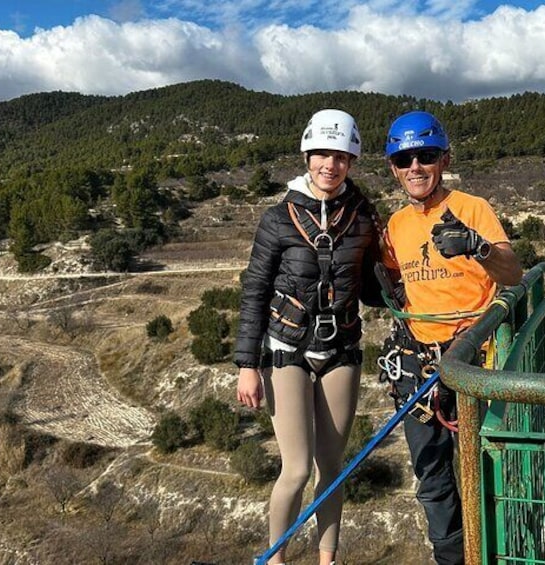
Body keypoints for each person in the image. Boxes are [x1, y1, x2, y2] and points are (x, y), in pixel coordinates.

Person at [234, 109, 382, 565]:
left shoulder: (362, 218)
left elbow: (376, 287)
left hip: (340, 350)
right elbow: (255, 290)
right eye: (321, 154)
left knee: (332, 471)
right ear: (306, 155)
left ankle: (326, 558)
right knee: (296, 469)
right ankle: (276, 559)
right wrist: (246, 365)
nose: (329, 164)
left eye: (339, 156)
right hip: (287, 353)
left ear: (352, 161)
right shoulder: (278, 218)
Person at [378, 110, 523, 565]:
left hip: (472, 358)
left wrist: (477, 246)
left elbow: (514, 273)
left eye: (426, 156)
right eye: (405, 160)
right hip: (418, 363)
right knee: (432, 475)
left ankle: (494, 552)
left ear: (444, 159)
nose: (415, 168)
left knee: (482, 468)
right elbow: (389, 274)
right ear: (393, 168)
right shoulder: (397, 226)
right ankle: (450, 559)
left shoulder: (473, 208)